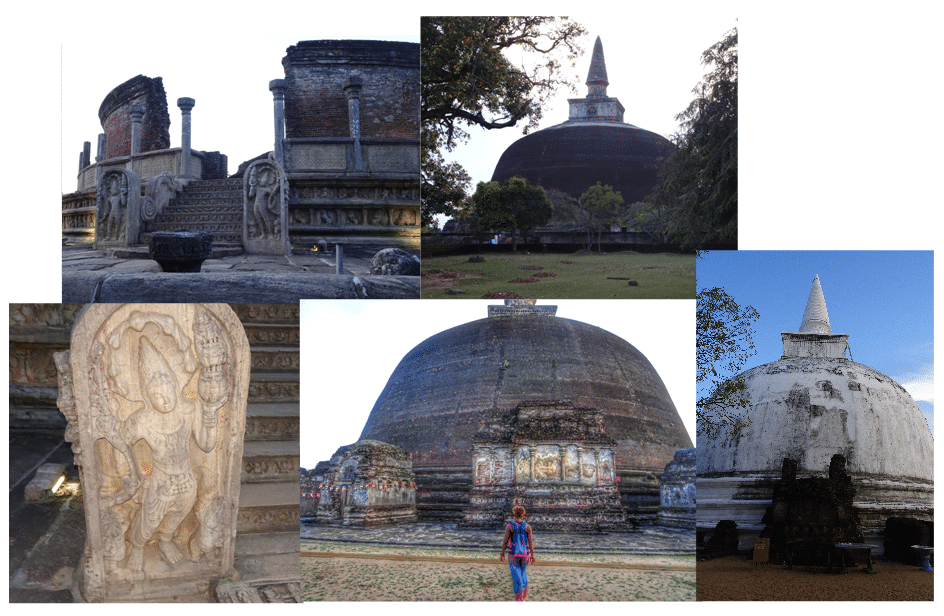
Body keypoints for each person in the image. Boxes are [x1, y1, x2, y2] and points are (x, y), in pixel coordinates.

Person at [499, 505, 535, 601]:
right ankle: (523, 594)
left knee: (516, 575)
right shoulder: (527, 526)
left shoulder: (510, 526)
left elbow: (505, 541)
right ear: (523, 514)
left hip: (513, 554)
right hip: (525, 554)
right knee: (523, 573)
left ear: (514, 514)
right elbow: (530, 542)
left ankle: (519, 596)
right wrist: (532, 555)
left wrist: (502, 553)